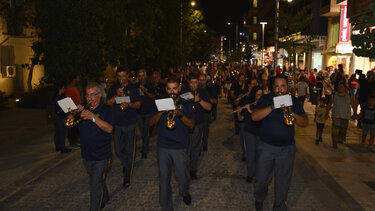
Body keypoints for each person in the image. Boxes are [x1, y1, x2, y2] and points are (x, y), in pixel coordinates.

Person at [252, 74, 308, 211]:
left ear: (287, 87)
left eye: (282, 86)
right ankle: (259, 197)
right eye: (277, 86)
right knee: (261, 179)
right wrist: (272, 107)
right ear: (273, 88)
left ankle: (279, 206)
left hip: (286, 148)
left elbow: (305, 123)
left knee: (283, 181)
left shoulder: (294, 101)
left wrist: (292, 112)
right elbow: (254, 117)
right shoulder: (266, 99)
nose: (280, 90)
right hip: (266, 147)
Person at [149, 78, 195, 211]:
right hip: (163, 146)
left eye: (174, 88)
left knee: (183, 176)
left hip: (180, 146)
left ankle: (184, 191)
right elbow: (150, 123)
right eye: (169, 89)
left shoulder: (186, 103)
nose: (172, 91)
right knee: (164, 179)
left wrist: (180, 114)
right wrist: (161, 111)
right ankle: (166, 206)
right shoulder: (159, 103)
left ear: (179, 89)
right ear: (166, 89)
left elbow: (192, 125)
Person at [78, 82, 113, 211]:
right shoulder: (83, 109)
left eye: (93, 94)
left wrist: (93, 117)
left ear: (99, 95)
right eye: (87, 95)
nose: (90, 98)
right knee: (96, 180)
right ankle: (105, 197)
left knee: (94, 185)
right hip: (87, 155)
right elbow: (70, 122)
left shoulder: (107, 109)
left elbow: (109, 129)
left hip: (102, 155)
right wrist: (73, 113)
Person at [106, 65, 141, 188]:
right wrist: (116, 95)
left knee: (130, 151)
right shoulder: (113, 88)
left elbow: (138, 105)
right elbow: (107, 104)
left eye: (124, 76)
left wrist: (129, 104)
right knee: (119, 151)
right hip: (117, 124)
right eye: (119, 76)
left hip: (130, 123)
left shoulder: (133, 88)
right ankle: (126, 164)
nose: (122, 78)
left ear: (127, 76)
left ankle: (127, 176)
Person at [182, 74, 211, 179]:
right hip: (184, 123)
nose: (193, 85)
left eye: (195, 82)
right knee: (185, 147)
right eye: (191, 83)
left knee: (194, 147)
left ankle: (193, 170)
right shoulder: (183, 91)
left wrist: (199, 100)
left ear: (198, 83)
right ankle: (184, 168)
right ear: (188, 83)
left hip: (197, 123)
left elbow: (209, 107)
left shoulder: (203, 92)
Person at [237, 86, 263, 183]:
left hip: (260, 133)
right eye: (258, 95)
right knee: (250, 154)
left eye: (261, 95)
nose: (259, 97)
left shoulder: (264, 106)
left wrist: (250, 111)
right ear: (254, 95)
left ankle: (259, 174)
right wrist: (239, 112)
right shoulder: (249, 105)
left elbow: (258, 117)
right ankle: (250, 174)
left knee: (260, 155)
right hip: (250, 132)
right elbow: (241, 119)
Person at [327, 81, 355, 148]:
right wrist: (327, 112)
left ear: (345, 88)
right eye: (339, 87)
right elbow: (330, 104)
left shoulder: (349, 95)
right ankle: (334, 142)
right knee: (335, 129)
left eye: (341, 87)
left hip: (345, 115)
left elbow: (353, 104)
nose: (340, 88)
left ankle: (340, 139)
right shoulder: (334, 95)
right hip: (336, 114)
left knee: (343, 129)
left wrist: (355, 113)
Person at [135, 69, 156, 158]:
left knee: (145, 131)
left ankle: (145, 149)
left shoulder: (150, 85)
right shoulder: (135, 86)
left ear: (146, 76)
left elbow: (153, 97)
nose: (141, 78)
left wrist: (145, 91)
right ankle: (145, 146)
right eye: (139, 76)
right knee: (142, 131)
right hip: (139, 112)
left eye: (143, 76)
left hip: (148, 111)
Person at [199, 74, 217, 151]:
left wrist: (206, 99)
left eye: (203, 80)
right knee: (198, 130)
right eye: (200, 80)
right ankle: (197, 146)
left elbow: (215, 101)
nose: (201, 82)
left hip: (206, 112)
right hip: (198, 112)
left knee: (205, 129)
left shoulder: (210, 89)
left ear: (206, 81)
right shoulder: (196, 89)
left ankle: (204, 144)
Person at [53, 84, 71, 153]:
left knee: (57, 132)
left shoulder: (55, 97)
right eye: (63, 88)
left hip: (55, 116)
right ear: (60, 89)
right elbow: (66, 108)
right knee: (62, 132)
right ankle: (63, 148)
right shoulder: (61, 98)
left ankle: (58, 147)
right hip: (60, 117)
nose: (64, 89)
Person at [64, 74, 81, 149]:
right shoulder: (69, 89)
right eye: (78, 78)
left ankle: (76, 141)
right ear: (74, 79)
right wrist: (71, 112)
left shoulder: (74, 88)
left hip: (77, 110)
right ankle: (72, 142)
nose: (79, 79)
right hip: (73, 111)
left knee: (76, 127)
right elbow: (67, 101)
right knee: (72, 128)